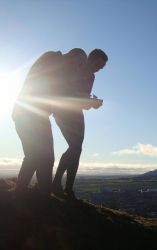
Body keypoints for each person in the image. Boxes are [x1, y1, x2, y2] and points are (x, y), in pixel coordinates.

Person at [52, 49, 108, 199]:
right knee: (75, 147)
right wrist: (87, 100)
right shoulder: (74, 67)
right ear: (90, 58)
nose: (98, 70)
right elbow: (65, 91)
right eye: (97, 65)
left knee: (77, 149)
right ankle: (58, 184)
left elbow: (82, 101)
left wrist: (92, 103)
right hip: (62, 110)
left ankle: (68, 188)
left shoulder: (91, 77)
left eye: (101, 68)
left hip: (76, 113)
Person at [12, 51, 63, 197]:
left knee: (37, 155)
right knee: (41, 156)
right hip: (32, 116)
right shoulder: (53, 65)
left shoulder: (47, 65)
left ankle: (33, 191)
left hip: (27, 115)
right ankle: (38, 193)